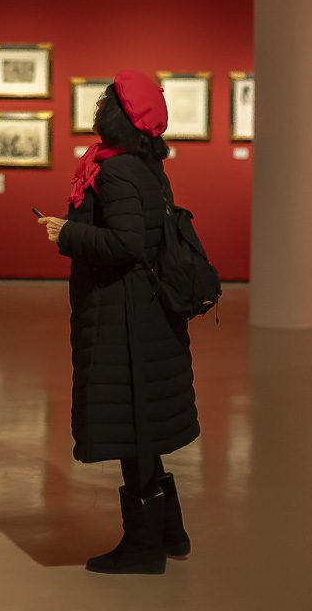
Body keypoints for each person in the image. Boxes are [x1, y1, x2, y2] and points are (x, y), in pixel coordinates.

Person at [38, 69, 200, 575]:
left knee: (134, 427)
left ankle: (143, 548)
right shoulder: (144, 163)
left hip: (125, 315)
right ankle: (169, 532)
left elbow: (129, 244)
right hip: (141, 312)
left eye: (105, 102)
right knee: (142, 425)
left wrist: (66, 233)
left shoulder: (115, 171)